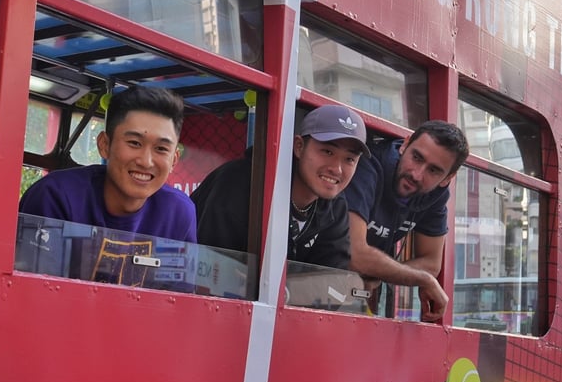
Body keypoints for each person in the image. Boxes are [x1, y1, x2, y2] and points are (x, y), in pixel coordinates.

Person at [191, 104, 369, 271]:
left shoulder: (335, 206)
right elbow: (213, 269)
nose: (336, 168)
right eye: (327, 152)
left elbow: (330, 286)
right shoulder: (241, 182)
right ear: (299, 147)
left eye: (349, 159)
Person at [19, 85, 196, 242]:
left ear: (174, 160)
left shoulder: (178, 213)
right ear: (104, 145)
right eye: (134, 143)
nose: (146, 161)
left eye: (161, 149)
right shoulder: (55, 197)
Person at [343, 120, 470, 323]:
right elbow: (355, 254)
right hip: (303, 271)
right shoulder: (369, 164)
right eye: (417, 157)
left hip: (349, 291)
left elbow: (431, 263)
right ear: (405, 144)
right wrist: (421, 279)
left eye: (434, 170)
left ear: (448, 178)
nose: (417, 174)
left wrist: (376, 270)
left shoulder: (437, 195)